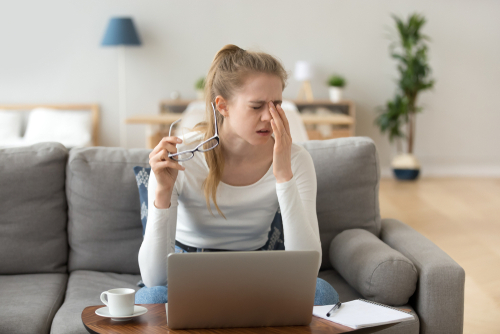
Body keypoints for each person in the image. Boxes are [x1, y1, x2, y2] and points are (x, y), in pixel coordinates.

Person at [136, 44, 339, 305]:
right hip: (189, 272)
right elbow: (154, 278)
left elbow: (308, 270)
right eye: (256, 106)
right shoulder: (181, 155)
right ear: (222, 106)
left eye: (276, 104)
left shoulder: (295, 159)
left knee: (322, 293)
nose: (269, 116)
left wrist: (284, 176)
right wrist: (162, 192)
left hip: (257, 270)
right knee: (152, 298)